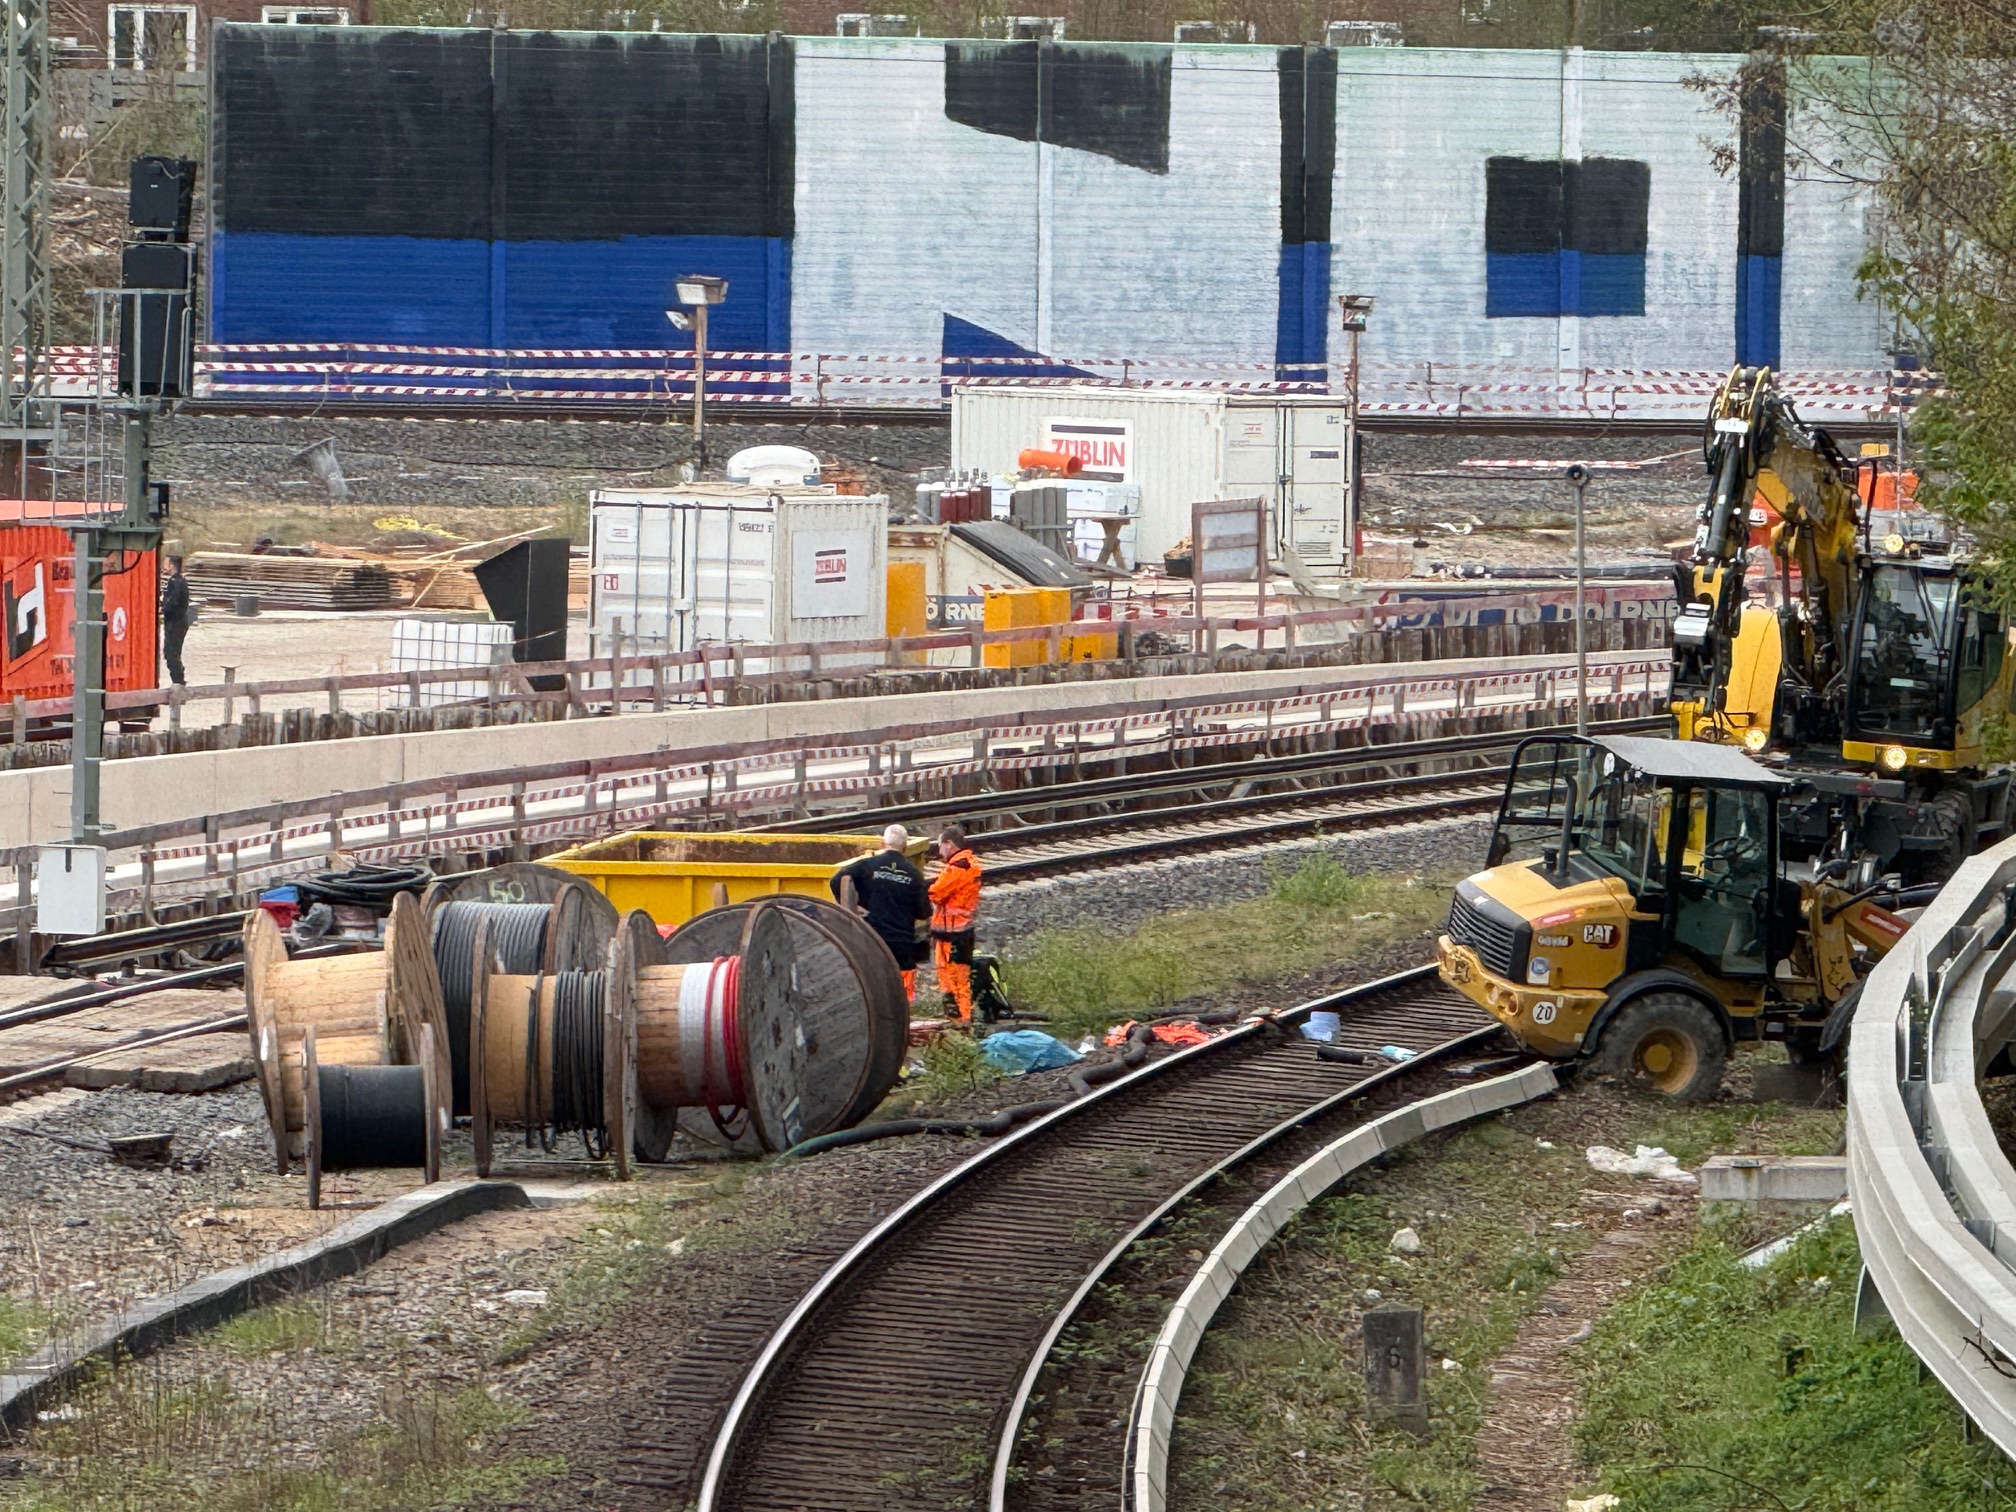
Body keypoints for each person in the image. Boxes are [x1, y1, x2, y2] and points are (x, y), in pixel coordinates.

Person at [831, 823, 932, 1001]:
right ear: (905, 847)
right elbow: (923, 912)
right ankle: (903, 1023)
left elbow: (837, 880)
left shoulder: (868, 866)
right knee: (902, 996)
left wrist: (853, 907)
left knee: (875, 989)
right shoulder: (914, 874)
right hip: (902, 944)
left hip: (874, 939)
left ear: (883, 844)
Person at [929, 823, 982, 1023]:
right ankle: (959, 1017)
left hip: (952, 934)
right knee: (958, 978)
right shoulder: (971, 863)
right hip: (961, 931)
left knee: (955, 980)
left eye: (940, 845)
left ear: (949, 844)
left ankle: (962, 1020)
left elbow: (936, 892)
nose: (939, 850)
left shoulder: (957, 868)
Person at [159, 554, 190, 687]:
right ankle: (178, 680)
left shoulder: (176, 582)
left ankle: (178, 682)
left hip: (175, 623)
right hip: (176, 622)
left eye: (166, 563)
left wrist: (162, 608)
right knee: (170, 653)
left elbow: (174, 602)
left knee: (172, 654)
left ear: (172, 565)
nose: (164, 566)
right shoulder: (177, 581)